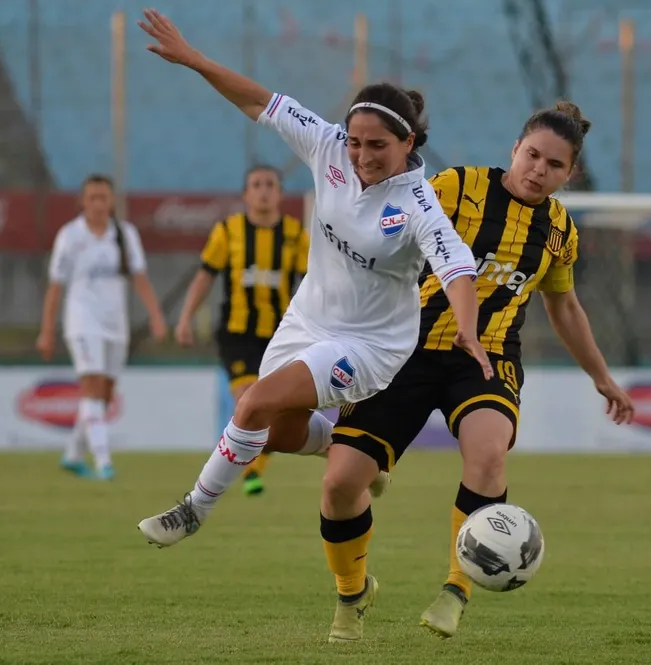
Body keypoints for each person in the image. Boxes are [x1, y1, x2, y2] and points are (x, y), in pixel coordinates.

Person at [134, 5, 490, 594]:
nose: (362, 155)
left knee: (250, 405)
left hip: (370, 343)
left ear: (408, 143)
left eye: (377, 145)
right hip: (308, 320)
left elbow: (455, 269)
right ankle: (355, 454)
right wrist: (194, 60)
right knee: (272, 430)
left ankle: (192, 509)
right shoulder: (327, 147)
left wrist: (468, 327)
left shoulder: (420, 204)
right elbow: (259, 101)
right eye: (355, 142)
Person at [264, 101, 636, 641]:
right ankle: (352, 592)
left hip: (486, 359)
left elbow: (565, 308)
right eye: (532, 155)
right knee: (341, 483)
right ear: (515, 149)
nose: (538, 170)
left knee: (487, 453)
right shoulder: (456, 186)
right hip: (402, 350)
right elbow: (386, 215)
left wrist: (602, 377)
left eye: (554, 166)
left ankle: (457, 588)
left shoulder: (559, 231)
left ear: (569, 173)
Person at [175, 165, 310, 496]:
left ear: (279, 193)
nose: (263, 191)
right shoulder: (228, 231)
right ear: (245, 194)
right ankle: (250, 470)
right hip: (239, 334)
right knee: (248, 399)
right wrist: (185, 318)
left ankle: (254, 468)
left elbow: (312, 284)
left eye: (270, 185)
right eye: (256, 185)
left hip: (281, 334)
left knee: (274, 409)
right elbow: (205, 275)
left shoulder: (295, 236)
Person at [36, 173, 168, 480]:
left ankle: (72, 453)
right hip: (82, 322)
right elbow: (55, 286)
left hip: (115, 324)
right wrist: (46, 330)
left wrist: (156, 316)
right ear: (82, 201)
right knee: (92, 387)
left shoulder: (124, 235)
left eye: (103, 197)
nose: (97, 203)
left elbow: (139, 277)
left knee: (105, 395)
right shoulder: (70, 236)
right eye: (92, 197)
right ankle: (104, 462)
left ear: (112, 202)